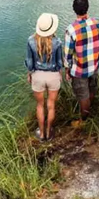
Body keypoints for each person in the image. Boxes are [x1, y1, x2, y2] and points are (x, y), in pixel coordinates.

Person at [64, 0, 99, 128]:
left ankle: (84, 121)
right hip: (94, 65)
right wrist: (96, 59)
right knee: (92, 89)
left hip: (80, 69)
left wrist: (67, 70)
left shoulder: (71, 30)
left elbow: (68, 54)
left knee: (83, 96)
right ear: (87, 7)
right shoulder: (98, 24)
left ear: (74, 10)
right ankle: (89, 111)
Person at [25, 13, 63, 141]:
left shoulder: (31, 40)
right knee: (51, 105)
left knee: (40, 105)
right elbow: (59, 63)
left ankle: (41, 135)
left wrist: (30, 74)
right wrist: (60, 74)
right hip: (53, 76)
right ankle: (48, 132)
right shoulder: (57, 42)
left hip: (38, 76)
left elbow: (29, 62)